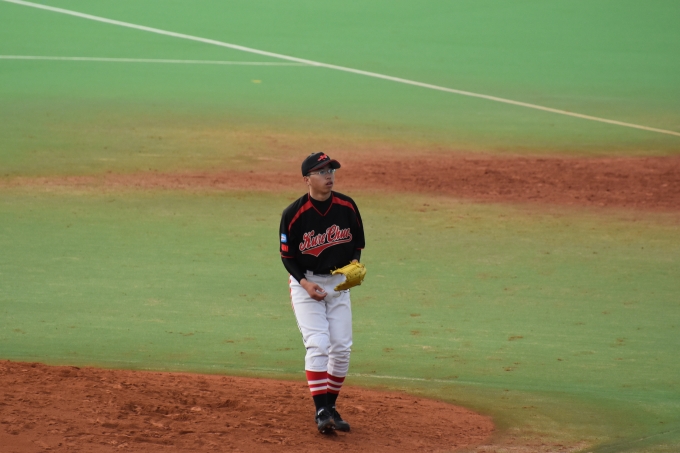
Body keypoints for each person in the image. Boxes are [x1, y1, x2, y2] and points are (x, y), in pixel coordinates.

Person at [279, 152, 365, 434]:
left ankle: (330, 407)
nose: (329, 176)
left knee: (341, 349)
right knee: (318, 343)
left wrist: (353, 265)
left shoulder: (347, 206)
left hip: (338, 283)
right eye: (322, 172)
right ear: (307, 179)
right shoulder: (293, 214)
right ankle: (321, 411)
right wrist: (304, 283)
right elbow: (287, 256)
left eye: (331, 171)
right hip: (305, 283)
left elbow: (357, 244)